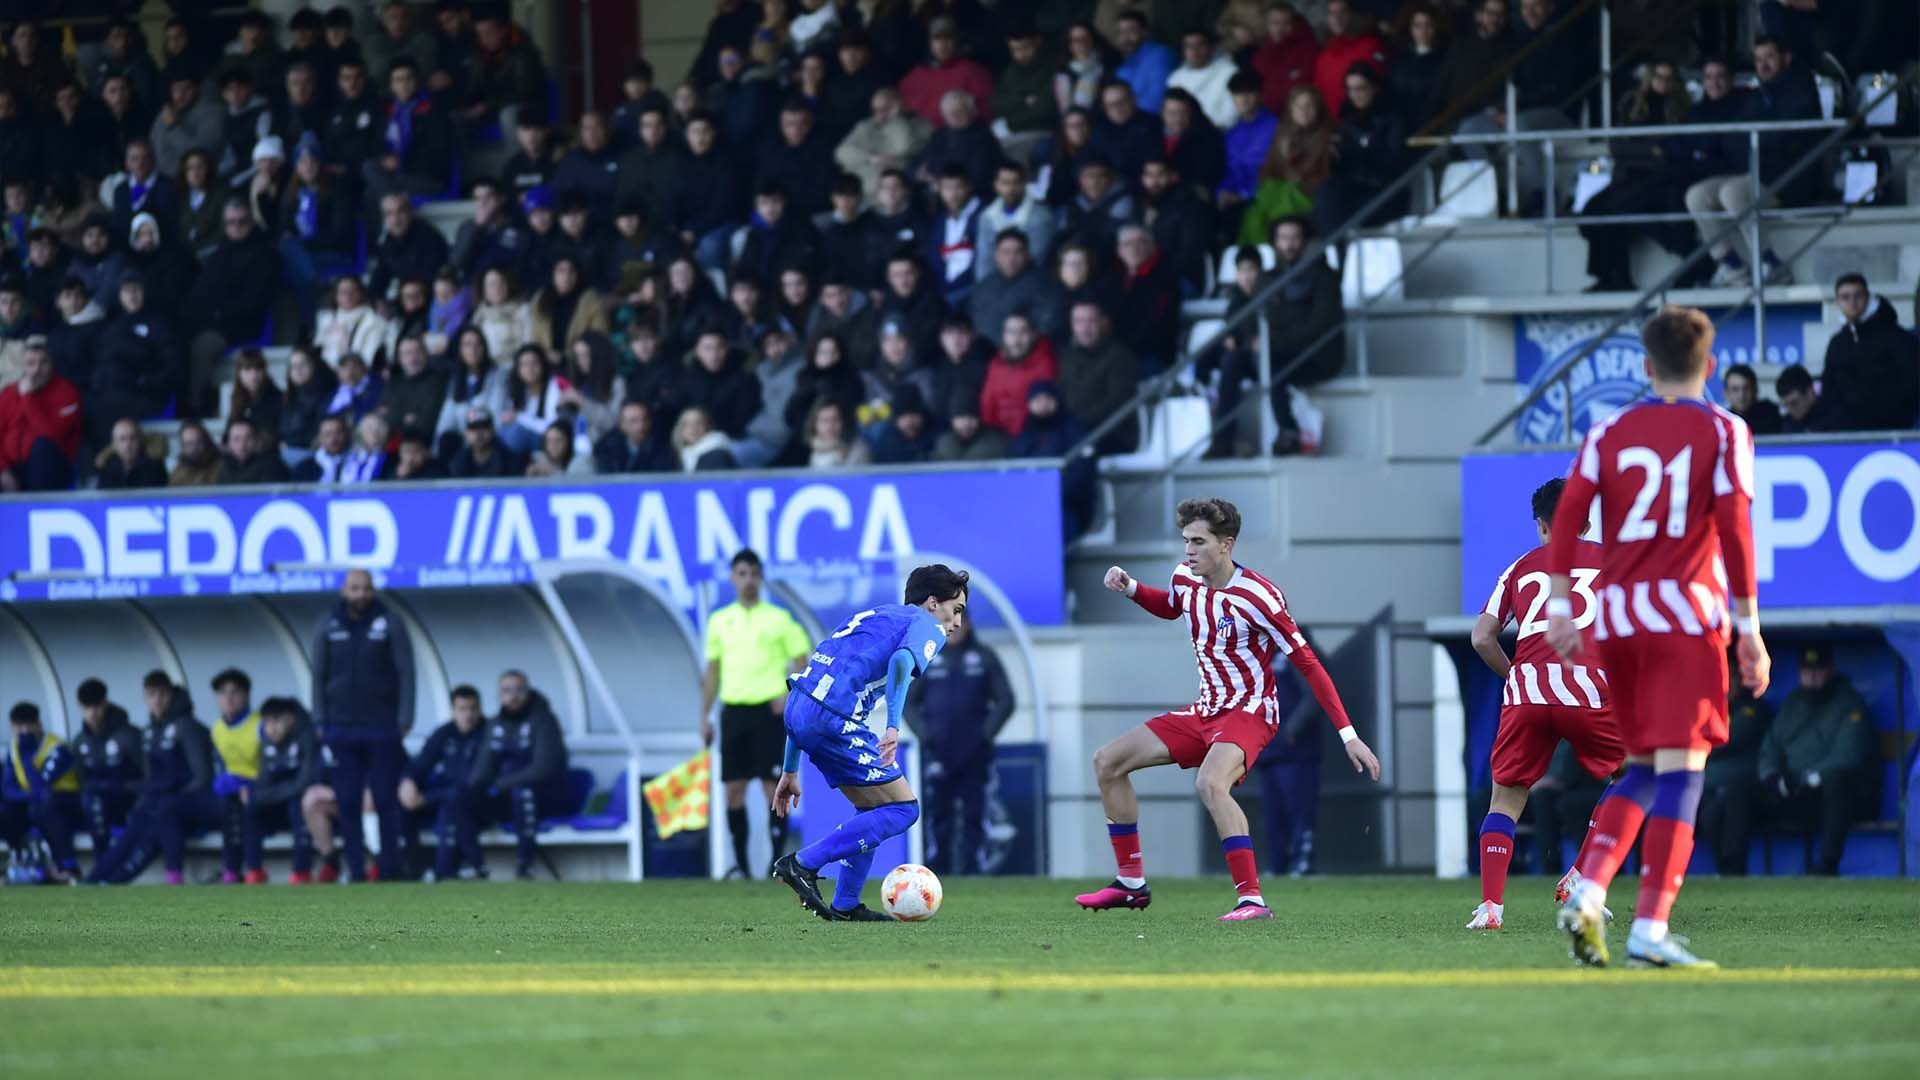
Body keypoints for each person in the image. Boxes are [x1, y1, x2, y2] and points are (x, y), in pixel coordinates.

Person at [1548, 305, 1771, 968]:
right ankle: (1649, 927)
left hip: (1616, 621)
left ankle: (1587, 889)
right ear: (1708, 366)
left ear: (1646, 367)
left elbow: (1566, 522)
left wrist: (1563, 606)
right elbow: (1734, 528)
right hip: (1682, 620)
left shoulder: (1608, 429)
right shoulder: (1727, 430)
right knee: (1685, 772)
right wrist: (1748, 629)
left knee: (1643, 768)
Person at [1076, 498, 1382, 920]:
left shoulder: (1260, 596)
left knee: (1209, 784)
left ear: (1227, 545)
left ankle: (1252, 900)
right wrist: (1131, 589)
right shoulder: (1185, 577)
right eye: (1185, 541)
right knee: (1108, 762)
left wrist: (1349, 735)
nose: (1188, 551)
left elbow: (1309, 664)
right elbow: (1171, 607)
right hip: (1205, 710)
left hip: (1251, 712)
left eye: (1198, 542)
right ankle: (1131, 884)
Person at [1464, 478, 1625, 930]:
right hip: (1589, 687)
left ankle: (1491, 907)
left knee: (1507, 796)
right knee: (1633, 775)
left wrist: (1517, 674)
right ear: (1588, 521)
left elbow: (1481, 637)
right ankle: (1582, 876)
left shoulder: (1519, 567)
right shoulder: (1611, 562)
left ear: (1541, 526)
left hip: (1527, 690)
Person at [770, 564, 970, 921]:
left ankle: (846, 904)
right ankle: (803, 863)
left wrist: (790, 768)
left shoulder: (875, 615)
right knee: (904, 808)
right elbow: (900, 662)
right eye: (955, 610)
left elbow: (813, 682)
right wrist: (893, 726)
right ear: (931, 603)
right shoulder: (928, 626)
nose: (955, 623)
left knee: (874, 808)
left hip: (799, 708)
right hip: (833, 717)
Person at [699, 550, 814, 878]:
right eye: (741, 574)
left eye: (753, 574)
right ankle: (744, 867)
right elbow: (712, 671)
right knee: (733, 789)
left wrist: (789, 695)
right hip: (733, 711)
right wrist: (704, 717)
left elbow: (802, 662)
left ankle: (775, 865)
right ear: (733, 578)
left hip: (768, 712)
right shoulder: (720, 620)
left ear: (760, 577)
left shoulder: (778, 619)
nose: (748, 580)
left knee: (772, 787)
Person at [1721, 644, 1878, 876]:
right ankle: (1733, 872)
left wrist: (1813, 776)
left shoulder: (1849, 703)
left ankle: (1827, 865)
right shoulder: (1793, 703)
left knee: (1836, 781)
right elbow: (1771, 745)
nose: (1812, 675)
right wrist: (1772, 775)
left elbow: (1849, 753)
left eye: (1819, 669)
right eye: (1807, 669)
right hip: (1795, 793)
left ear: (1831, 669)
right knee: (1739, 790)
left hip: (1833, 795)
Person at [1684, 36, 1820, 286]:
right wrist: (1756, 144)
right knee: (1696, 195)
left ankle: (1770, 264)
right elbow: (1732, 140)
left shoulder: (1801, 89)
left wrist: (1756, 143)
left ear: (1785, 58)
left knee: (1732, 192)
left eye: (1769, 57)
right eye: (1758, 60)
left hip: (1788, 180)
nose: (1763, 65)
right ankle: (1731, 266)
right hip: (1754, 174)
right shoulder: (1755, 96)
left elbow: (1789, 138)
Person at [310, 568, 416, 883]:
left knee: (385, 799)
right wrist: (319, 718)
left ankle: (389, 868)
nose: (361, 594)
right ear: (344, 590)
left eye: (366, 588)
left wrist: (405, 717)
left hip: (382, 726)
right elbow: (318, 675)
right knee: (348, 801)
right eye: (355, 588)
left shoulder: (391, 622)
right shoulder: (327, 624)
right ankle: (355, 869)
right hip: (341, 728)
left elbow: (406, 672)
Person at [905, 613, 1013, 876]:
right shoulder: (928, 657)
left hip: (976, 752)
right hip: (938, 751)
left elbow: (1006, 701)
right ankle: (937, 869)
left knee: (974, 813)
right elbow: (908, 703)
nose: (954, 629)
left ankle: (972, 869)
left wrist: (984, 735)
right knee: (938, 813)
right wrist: (926, 735)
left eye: (959, 623)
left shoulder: (985, 656)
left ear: (969, 625)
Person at [87, 672, 219, 886]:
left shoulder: (187, 726)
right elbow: (151, 778)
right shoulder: (149, 732)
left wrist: (175, 801)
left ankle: (117, 881)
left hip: (186, 807)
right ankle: (92, 880)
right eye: (151, 695)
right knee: (133, 827)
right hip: (159, 803)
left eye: (162, 694)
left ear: (171, 695)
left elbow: (203, 777)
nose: (157, 700)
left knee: (162, 817)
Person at [463, 670, 571, 880]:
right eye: (507, 690)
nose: (513, 696)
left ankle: (525, 865)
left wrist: (503, 783)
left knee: (524, 793)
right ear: (499, 695)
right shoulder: (495, 724)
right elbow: (483, 766)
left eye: (519, 690)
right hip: (505, 795)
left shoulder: (543, 720)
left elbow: (544, 768)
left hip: (545, 795)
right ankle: (468, 866)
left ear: (528, 692)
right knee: (462, 798)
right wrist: (473, 787)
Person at [400, 685, 490, 881]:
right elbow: (422, 762)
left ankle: (451, 870)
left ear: (480, 708)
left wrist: (426, 798)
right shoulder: (445, 733)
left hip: (482, 801)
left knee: (453, 804)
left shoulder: (489, 733)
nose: (468, 715)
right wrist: (409, 781)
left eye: (473, 708)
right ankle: (412, 869)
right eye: (462, 709)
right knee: (404, 805)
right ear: (453, 710)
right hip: (447, 797)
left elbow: (475, 782)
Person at [1695, 676, 1775, 875]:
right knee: (1710, 808)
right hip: (1711, 787)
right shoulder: (1706, 707)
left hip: (1753, 789)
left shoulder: (1753, 707)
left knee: (1732, 797)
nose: (1725, 684)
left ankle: (1734, 870)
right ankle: (1724, 869)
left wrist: (1700, 744)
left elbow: (1726, 738)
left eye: (1730, 677)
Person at [1821, 273, 1919, 431]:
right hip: (1846, 433)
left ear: (1867, 297)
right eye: (1845, 297)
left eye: (1857, 296)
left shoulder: (1896, 337)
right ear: (1838, 302)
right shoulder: (1837, 344)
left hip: (1891, 431)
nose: (1852, 303)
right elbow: (1829, 388)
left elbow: (1910, 382)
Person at [2, 702, 83, 883]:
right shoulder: (14, 748)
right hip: (35, 802)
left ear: (38, 724)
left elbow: (41, 786)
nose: (23, 732)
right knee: (6, 812)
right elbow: (8, 790)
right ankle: (20, 859)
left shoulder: (57, 747)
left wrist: (27, 758)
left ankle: (68, 866)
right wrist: (30, 796)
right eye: (19, 727)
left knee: (46, 805)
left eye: (27, 725)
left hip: (67, 802)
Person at [70, 678, 142, 871]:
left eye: (97, 706)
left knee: (93, 800)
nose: (92, 713)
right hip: (97, 805)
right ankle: (84, 866)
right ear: (80, 707)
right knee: (86, 799)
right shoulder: (79, 742)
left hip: (128, 800)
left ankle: (102, 867)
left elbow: (147, 775)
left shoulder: (128, 735)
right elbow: (81, 780)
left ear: (105, 703)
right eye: (87, 707)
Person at [0, 337, 81, 493]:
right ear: (23, 366)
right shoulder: (8, 394)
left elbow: (51, 437)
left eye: (43, 363)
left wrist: (28, 399)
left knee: (42, 448)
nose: (36, 370)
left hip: (52, 468)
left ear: (52, 364)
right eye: (31, 363)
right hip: (11, 468)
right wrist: (3, 472)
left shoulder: (67, 393)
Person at [1167, 29, 1238, 129]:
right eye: (1189, 46)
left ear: (1212, 48)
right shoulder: (1175, 78)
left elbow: (1230, 116)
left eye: (1200, 45)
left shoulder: (1229, 73)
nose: (1194, 51)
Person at [1112, 9, 1176, 114]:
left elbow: (1156, 100)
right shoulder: (1121, 63)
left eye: (1131, 31)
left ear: (1145, 32)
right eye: (1121, 32)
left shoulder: (1160, 55)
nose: (1125, 38)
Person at [1775, 363, 1838, 434]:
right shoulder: (1787, 424)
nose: (1790, 410)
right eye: (1786, 405)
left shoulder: (1834, 419)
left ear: (1809, 393)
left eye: (1794, 403)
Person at [1722, 362, 1782, 436]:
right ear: (1726, 393)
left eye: (1746, 388)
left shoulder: (1771, 415)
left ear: (1755, 390)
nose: (1741, 395)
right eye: (1735, 389)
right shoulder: (1723, 423)